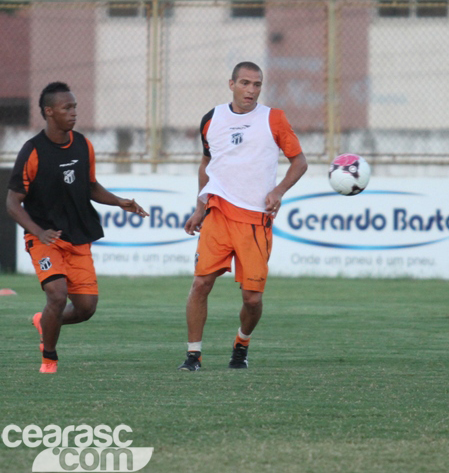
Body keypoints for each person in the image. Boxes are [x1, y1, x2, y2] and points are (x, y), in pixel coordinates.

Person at [6, 82, 149, 374]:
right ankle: (49, 358)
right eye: (66, 108)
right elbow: (12, 202)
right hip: (45, 239)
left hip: (78, 238)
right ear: (49, 112)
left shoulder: (83, 144)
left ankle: (42, 320)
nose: (73, 113)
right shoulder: (32, 151)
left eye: (74, 107)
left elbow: (91, 186)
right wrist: (37, 231)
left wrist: (119, 201)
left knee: (86, 309)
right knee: (57, 295)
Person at [179, 61, 307, 371]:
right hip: (218, 213)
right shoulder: (212, 119)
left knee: (252, 299)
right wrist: (200, 206)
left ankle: (241, 344)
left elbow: (299, 162)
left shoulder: (273, 119)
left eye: (257, 84)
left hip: (255, 221)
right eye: (245, 83)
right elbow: (206, 163)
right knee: (200, 284)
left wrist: (278, 191)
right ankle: (193, 355)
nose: (251, 90)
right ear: (231, 84)